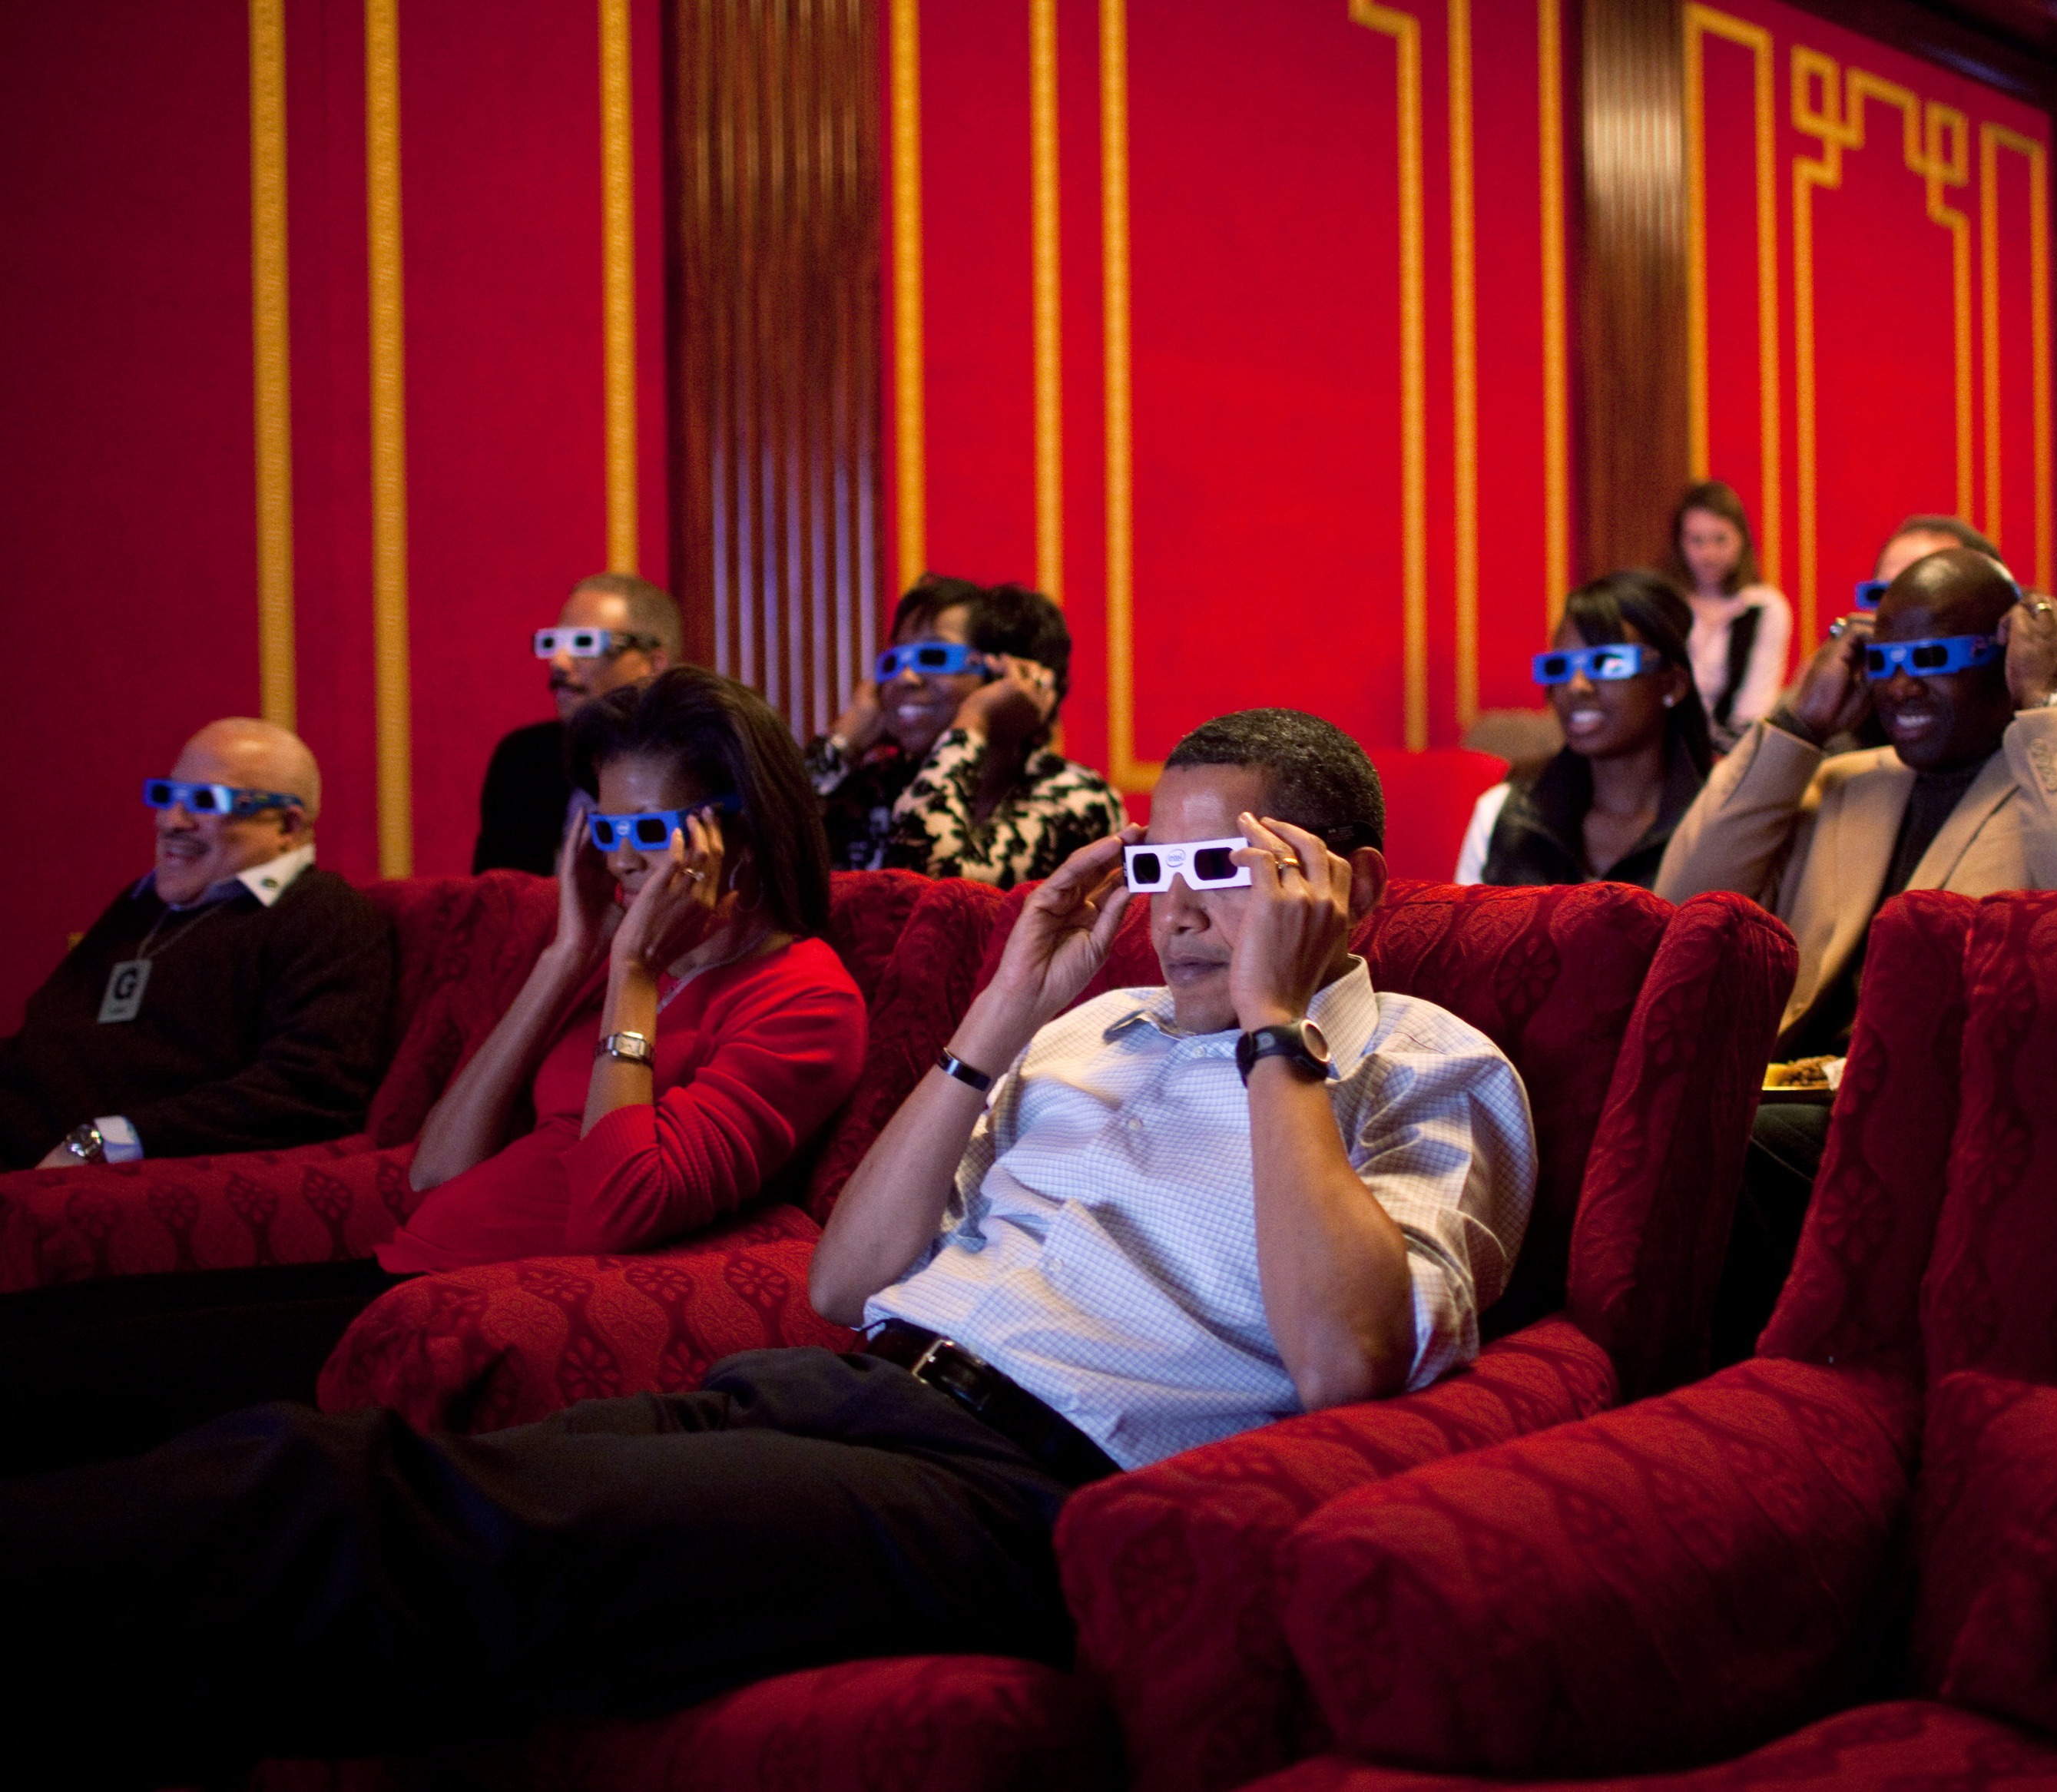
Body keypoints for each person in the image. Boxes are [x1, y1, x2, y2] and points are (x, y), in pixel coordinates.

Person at [0, 710, 1535, 1786]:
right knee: (357, 1460)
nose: (1190, 919)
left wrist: (1276, 1018)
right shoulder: (1086, 1024)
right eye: (1163, 872)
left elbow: (1344, 1353)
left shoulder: (1424, 1062)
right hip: (839, 1386)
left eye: (1235, 873)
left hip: (1022, 1484)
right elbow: (845, 1283)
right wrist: (1002, 1013)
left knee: (371, 1506)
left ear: (1348, 886)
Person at [0, 667, 867, 1474]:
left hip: (458, 1305)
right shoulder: (625, 960)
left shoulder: (803, 999)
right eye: (604, 829)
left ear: (740, 829)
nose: (621, 858)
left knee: (72, 1392)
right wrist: (569, 956)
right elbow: (438, 1166)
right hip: (403, 1262)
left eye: (647, 829)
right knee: (41, 1340)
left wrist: (632, 979)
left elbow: (620, 1208)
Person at [1656, 547, 2057, 1361]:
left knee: (1722, 1142)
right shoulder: (1843, 779)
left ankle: (1728, 1388)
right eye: (1885, 660)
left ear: (2010, 655)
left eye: (1938, 658)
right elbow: (1686, 903)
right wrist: (1796, 725)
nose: (1903, 684)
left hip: (1958, 1115)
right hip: (1796, 1090)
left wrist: (2053, 703)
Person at [0, 718, 393, 1171]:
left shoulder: (326, 917)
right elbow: (42, 1041)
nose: (171, 822)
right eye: (167, 797)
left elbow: (312, 1090)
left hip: (91, 1167)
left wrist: (107, 1140)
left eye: (206, 802)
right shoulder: (141, 905)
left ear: (287, 824)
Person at [808, 574, 1124, 885]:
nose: (904, 678)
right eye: (893, 661)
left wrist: (974, 721)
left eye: (932, 657)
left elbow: (929, 883)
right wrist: (843, 743)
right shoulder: (870, 791)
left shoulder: (1078, 798)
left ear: (1009, 677)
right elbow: (766, 853)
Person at [1455, 571, 1713, 888]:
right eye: (1559, 667)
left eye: (1606, 663)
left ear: (1672, 685)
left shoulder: (1716, 822)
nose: (1577, 686)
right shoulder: (1504, 815)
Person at [474, 572, 681, 875]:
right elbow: (495, 901)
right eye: (553, 644)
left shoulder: (699, 760)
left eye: (584, 644)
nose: (558, 662)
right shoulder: (522, 760)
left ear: (653, 664)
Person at [1660, 481, 1792, 747]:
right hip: (1667, 746)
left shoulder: (1764, 608)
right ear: (1679, 544)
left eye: (1720, 540)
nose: (1708, 554)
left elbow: (1753, 711)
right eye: (1696, 541)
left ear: (1741, 540)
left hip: (1735, 750)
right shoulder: (1664, 605)